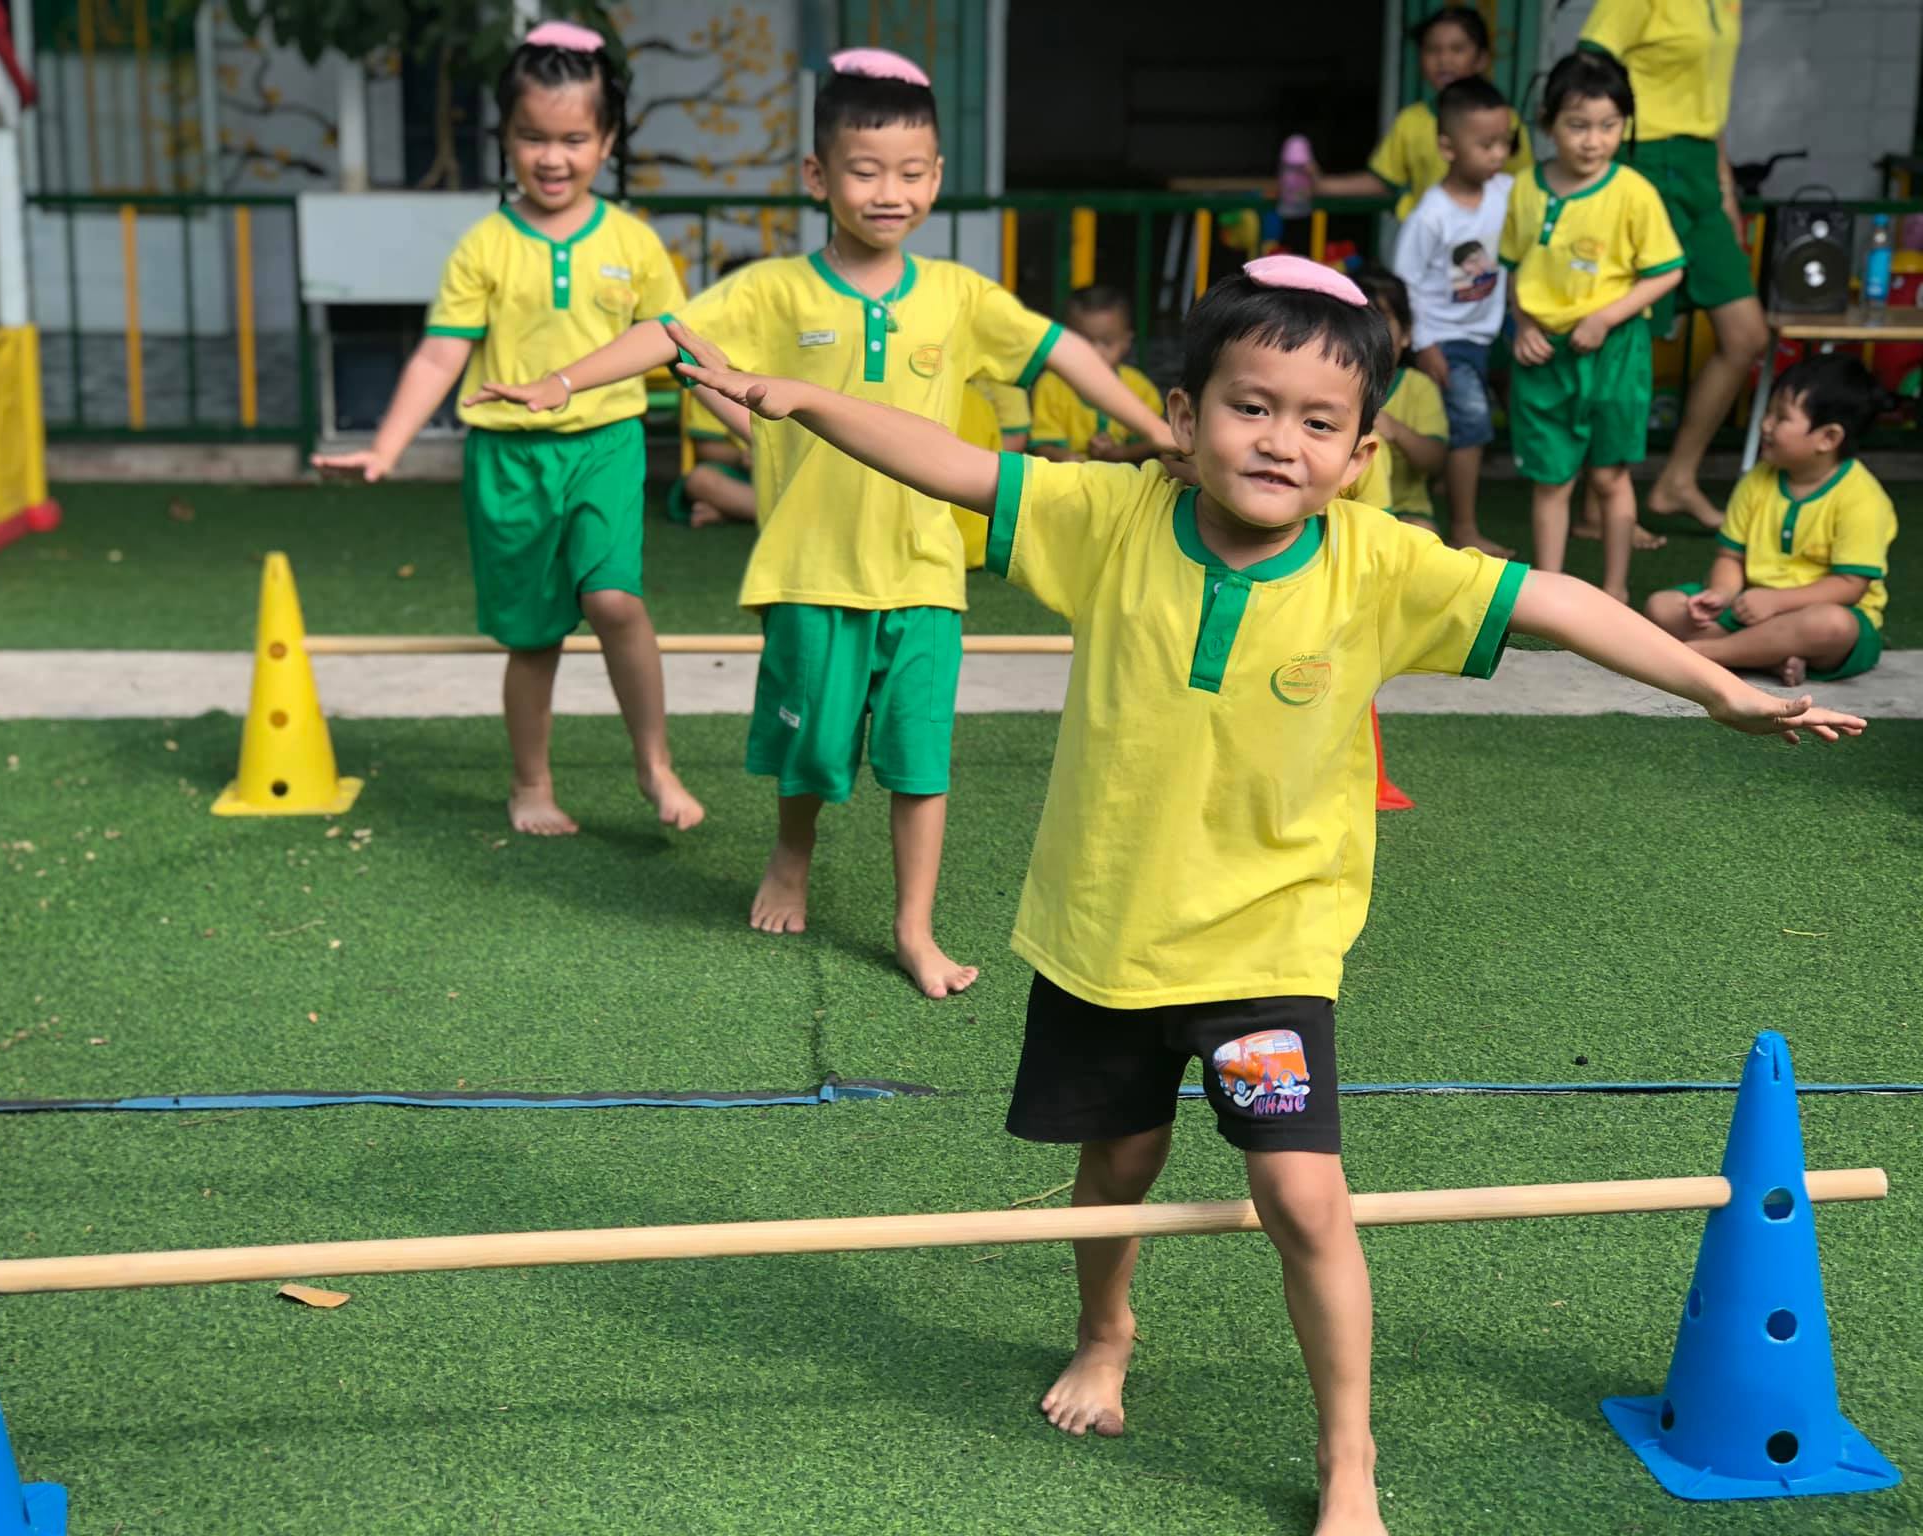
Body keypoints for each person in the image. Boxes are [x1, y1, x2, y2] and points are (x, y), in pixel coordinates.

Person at [671, 254, 1862, 1536]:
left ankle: (1348, 1458)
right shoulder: (1108, 517)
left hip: (1265, 955)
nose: (1279, 441)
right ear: (1182, 420)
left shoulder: (1378, 565)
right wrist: (805, 398)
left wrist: (1717, 689)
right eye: (1248, 406)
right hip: (1103, 936)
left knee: (1300, 1196)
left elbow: (1559, 603)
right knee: (1117, 1165)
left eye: (1317, 423)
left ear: (1358, 456)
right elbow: (951, 464)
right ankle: (1105, 1332)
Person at [466, 48, 1173, 998]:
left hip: (923, 572)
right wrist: (562, 382)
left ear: (938, 179)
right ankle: (790, 856)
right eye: (865, 170)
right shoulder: (774, 290)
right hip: (809, 571)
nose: (891, 192)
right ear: (817, 175)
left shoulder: (959, 296)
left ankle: (914, 928)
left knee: (920, 761)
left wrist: (1158, 435)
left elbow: (1064, 355)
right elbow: (668, 336)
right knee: (810, 751)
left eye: (912, 172)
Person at [312, 23, 703, 839]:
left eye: (573, 139)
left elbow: (679, 344)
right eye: (533, 137)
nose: (552, 158)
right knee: (533, 639)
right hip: (508, 461)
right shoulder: (485, 246)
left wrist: (759, 425)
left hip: (605, 443)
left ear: (607, 141)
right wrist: (386, 446)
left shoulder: (633, 242)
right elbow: (439, 354)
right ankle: (531, 785)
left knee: (614, 599)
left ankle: (655, 763)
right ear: (506, 139)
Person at [1501, 51, 1684, 606]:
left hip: (1615, 351)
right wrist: (1522, 324)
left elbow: (1667, 271)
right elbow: (1515, 268)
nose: (1593, 141)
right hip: (1543, 354)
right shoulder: (1525, 188)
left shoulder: (1633, 191)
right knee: (1551, 481)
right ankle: (1549, 597)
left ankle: (1615, 590)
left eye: (1608, 126)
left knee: (1609, 478)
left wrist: (1605, 317)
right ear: (1548, 122)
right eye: (1578, 125)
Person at [1581, 0, 1765, 534]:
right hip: (1641, 160)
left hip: (1702, 169)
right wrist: (1595, 173)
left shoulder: (1729, 4)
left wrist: (1725, 188)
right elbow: (1586, 79)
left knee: (1746, 335)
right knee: (1628, 335)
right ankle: (1599, 503)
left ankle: (1677, 479)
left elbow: (1709, 103)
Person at [1644, 354, 1897, 686]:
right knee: (1662, 607)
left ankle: (1709, 653)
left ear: (1828, 438)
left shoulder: (1862, 498)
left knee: (1834, 626)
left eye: (1781, 418)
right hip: (1750, 607)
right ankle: (1768, 658)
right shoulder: (1756, 480)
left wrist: (1776, 601)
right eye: (1768, 412)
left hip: (1816, 616)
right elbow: (1730, 556)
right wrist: (1721, 593)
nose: (1765, 424)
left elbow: (1850, 585)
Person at [1396, 75, 1517, 556]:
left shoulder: (1508, 192)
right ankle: (1464, 529)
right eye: (1486, 145)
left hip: (1492, 329)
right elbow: (1405, 285)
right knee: (1470, 424)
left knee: (1476, 422)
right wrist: (1424, 344)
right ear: (1447, 147)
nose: (1498, 154)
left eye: (1504, 142)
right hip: (1445, 337)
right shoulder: (1430, 216)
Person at [1311, 7, 1533, 220]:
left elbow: (1524, 187)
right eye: (1432, 50)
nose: (1444, 60)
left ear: (1481, 59)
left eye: (1457, 49)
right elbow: (1384, 181)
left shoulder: (1505, 121)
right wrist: (1321, 185)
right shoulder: (1410, 121)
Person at [1352, 270, 1448, 534]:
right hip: (1341, 506)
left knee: (1420, 531)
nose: (1372, 334)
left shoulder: (1419, 387)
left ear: (1406, 334)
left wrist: (1396, 430)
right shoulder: (1329, 383)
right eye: (1360, 321)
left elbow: (1435, 462)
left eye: (1382, 320)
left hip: (1405, 511)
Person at [1028, 285, 1166, 462]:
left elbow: (1154, 442)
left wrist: (1121, 454)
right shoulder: (1050, 385)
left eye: (1107, 343)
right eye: (1084, 342)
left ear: (1126, 341)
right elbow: (1041, 443)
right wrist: (1068, 459)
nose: (1095, 352)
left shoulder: (1139, 387)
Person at [669, 257, 759, 528]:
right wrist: (743, 457)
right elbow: (706, 447)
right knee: (701, 481)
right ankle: (771, 511)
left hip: (794, 466)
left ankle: (735, 510)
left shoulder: (793, 350)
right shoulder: (708, 362)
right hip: (744, 471)